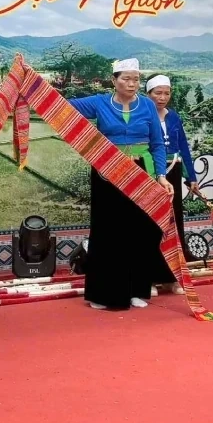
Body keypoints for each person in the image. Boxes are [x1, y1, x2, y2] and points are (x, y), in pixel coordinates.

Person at [68, 58, 175, 311]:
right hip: (108, 172)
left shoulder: (147, 106)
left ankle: (136, 290)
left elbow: (157, 144)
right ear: (113, 80)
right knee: (107, 232)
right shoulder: (99, 102)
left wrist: (161, 175)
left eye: (136, 79)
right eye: (126, 78)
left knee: (138, 232)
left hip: (141, 172)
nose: (131, 83)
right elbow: (60, 108)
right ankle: (103, 294)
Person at [146, 74, 197, 279]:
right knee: (152, 223)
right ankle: (150, 277)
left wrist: (191, 177)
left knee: (174, 223)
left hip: (173, 173)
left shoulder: (174, 116)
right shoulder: (143, 116)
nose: (162, 97)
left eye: (166, 93)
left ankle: (172, 277)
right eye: (158, 93)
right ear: (148, 94)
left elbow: (183, 147)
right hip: (151, 172)